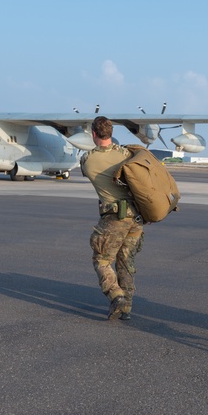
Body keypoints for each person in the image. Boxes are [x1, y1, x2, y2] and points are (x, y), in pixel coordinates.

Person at [81, 116, 144, 320]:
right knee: (125, 260)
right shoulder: (125, 154)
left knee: (101, 259)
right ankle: (126, 308)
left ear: (93, 134)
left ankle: (116, 296)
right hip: (135, 216)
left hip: (115, 217)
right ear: (111, 133)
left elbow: (86, 170)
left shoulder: (87, 160)